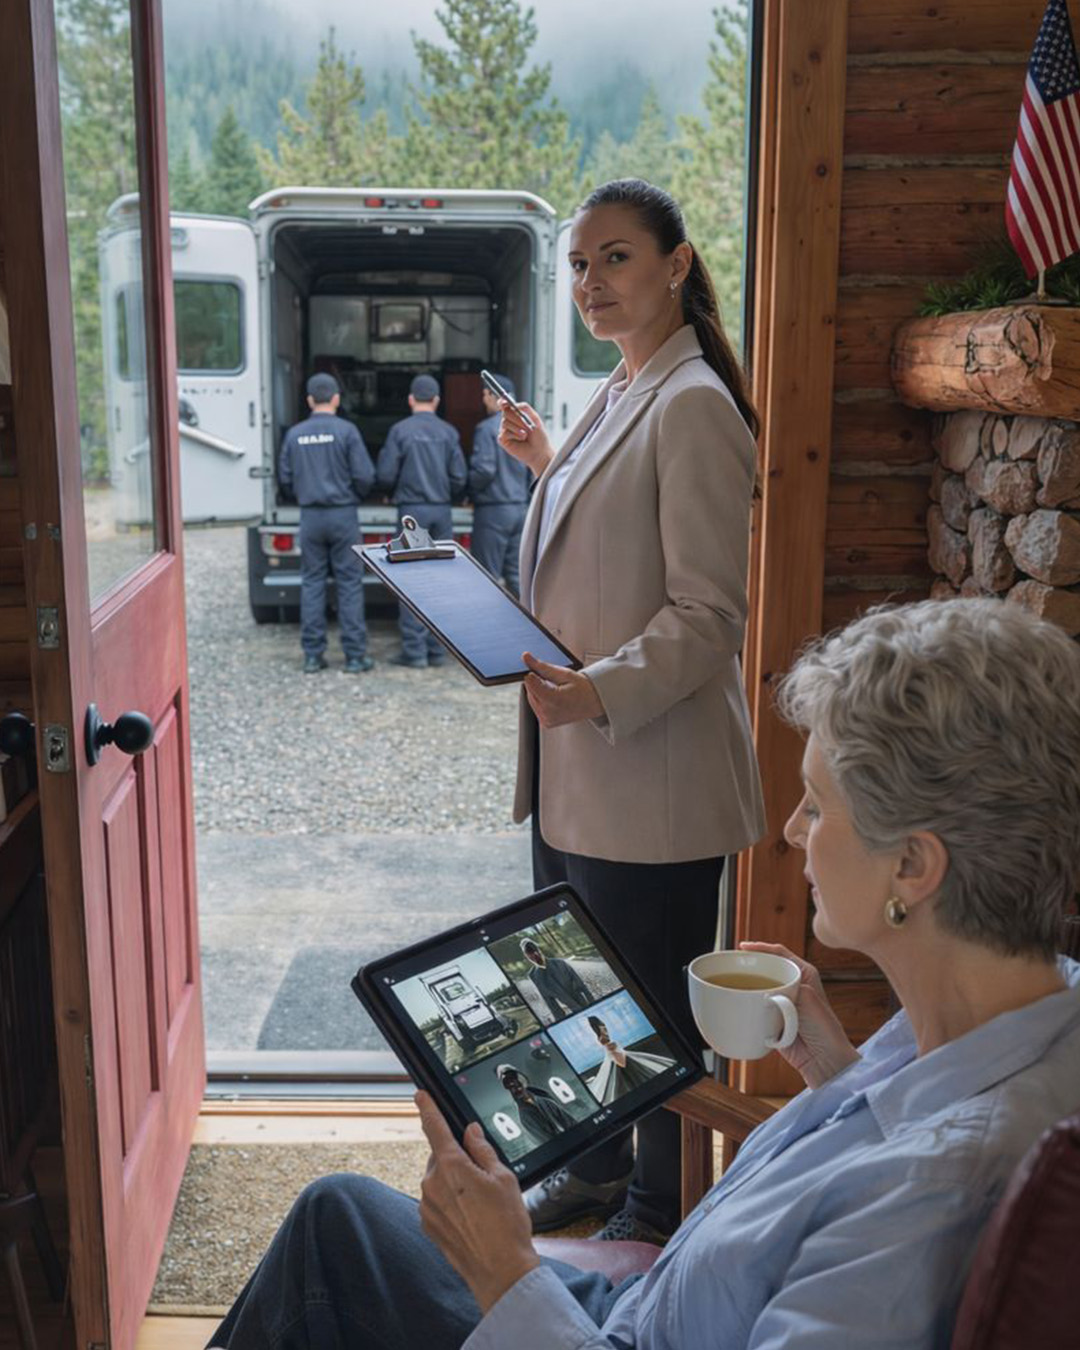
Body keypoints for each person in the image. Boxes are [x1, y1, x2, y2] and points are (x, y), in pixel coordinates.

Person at [209, 597, 1080, 1350]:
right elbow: (884, 1145)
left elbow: (885, 1196)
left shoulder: (920, 1206)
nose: (789, 830)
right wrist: (833, 1076)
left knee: (333, 1237)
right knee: (342, 1216)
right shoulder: (1033, 1010)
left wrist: (506, 1268)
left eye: (819, 805)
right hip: (657, 1308)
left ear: (913, 868)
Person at [497, 178, 766, 1243]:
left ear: (676, 264)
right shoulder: (624, 390)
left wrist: (599, 688)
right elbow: (612, 543)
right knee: (588, 999)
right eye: (577, 264)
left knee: (647, 1012)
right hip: (578, 767)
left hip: (646, 775)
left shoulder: (696, 403)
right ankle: (597, 1173)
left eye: (614, 258)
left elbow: (708, 617)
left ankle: (658, 1214)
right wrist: (544, 466)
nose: (591, 282)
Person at [278, 372, 376, 674]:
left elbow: (285, 479)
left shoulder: (295, 434)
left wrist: (305, 494)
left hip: (311, 516)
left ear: (309, 400)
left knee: (312, 583)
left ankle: (312, 656)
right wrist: (353, 495)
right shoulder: (347, 432)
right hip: (343, 515)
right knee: (349, 584)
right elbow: (365, 476)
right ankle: (355, 656)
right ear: (336, 399)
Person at [376, 374, 468, 668]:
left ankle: (414, 652)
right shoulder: (449, 433)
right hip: (441, 510)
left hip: (411, 514)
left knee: (412, 580)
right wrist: (451, 495)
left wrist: (388, 493)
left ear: (411, 399)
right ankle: (438, 651)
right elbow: (459, 477)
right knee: (440, 580)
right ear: (437, 401)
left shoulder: (399, 431)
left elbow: (386, 474)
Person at [467, 374, 532, 595]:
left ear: (493, 396)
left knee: (487, 576)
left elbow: (484, 470)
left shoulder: (486, 429)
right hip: (520, 509)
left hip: (493, 511)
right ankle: (530, 626)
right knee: (516, 575)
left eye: (484, 394)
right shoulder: (525, 426)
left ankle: (488, 628)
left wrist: (469, 492)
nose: (483, 399)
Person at [584, 1015, 674, 1103]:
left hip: (621, 1056)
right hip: (620, 1058)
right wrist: (616, 1053)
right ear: (598, 1028)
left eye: (604, 1027)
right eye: (603, 1027)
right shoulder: (604, 1039)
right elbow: (620, 1061)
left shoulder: (604, 1038)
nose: (606, 1029)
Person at [494, 1065, 576, 1146]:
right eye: (508, 1082)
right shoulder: (524, 1116)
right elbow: (547, 1143)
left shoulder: (545, 1099)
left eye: (514, 1078)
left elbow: (572, 1123)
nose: (514, 1084)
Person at [520, 938, 591, 1019]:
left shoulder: (560, 963)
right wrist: (560, 1020)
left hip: (583, 1003)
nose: (534, 954)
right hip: (570, 1010)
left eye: (534, 950)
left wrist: (592, 1002)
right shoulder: (533, 975)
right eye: (529, 952)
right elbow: (549, 1001)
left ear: (539, 949)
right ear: (526, 955)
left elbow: (581, 985)